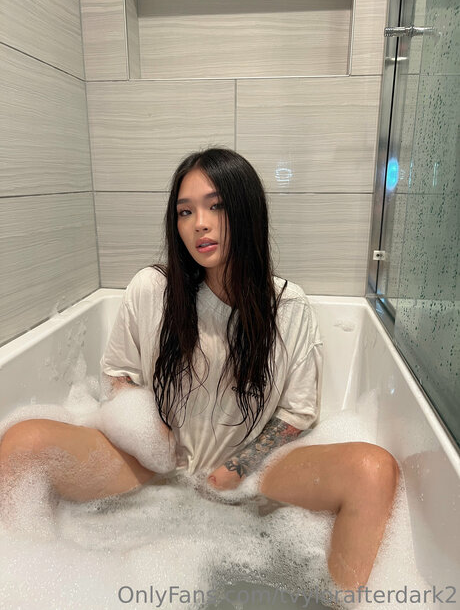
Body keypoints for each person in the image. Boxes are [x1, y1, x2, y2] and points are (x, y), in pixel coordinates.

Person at [0, 147, 399, 592]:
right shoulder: (152, 289)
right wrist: (149, 435)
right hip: (156, 464)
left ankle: (342, 598)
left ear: (246, 212)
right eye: (185, 212)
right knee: (21, 444)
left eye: (216, 206)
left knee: (373, 471)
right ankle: (22, 586)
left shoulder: (288, 307)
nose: (199, 224)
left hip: (253, 473)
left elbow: (298, 412)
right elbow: (118, 373)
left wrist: (238, 466)